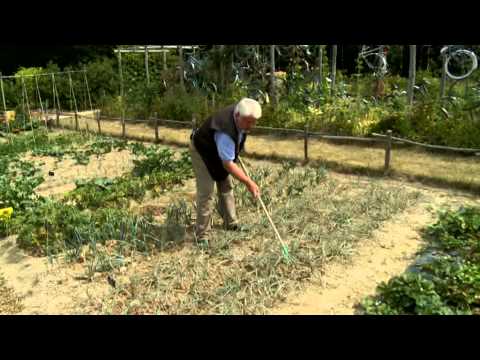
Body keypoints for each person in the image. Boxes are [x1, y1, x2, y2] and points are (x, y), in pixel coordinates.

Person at [189, 98, 262, 245]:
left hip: (218, 151)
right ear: (237, 116)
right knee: (207, 192)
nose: (251, 126)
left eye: (253, 122)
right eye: (248, 122)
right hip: (203, 151)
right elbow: (228, 164)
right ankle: (202, 235)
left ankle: (231, 223)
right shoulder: (225, 132)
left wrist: (235, 149)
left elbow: (230, 154)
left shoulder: (242, 110)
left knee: (226, 185)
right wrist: (249, 182)